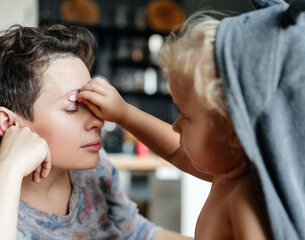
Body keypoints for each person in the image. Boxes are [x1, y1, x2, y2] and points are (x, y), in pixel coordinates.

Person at [0, 24, 191, 240]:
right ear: (10, 124)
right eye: (73, 106)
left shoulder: (97, 170)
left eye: (92, 104)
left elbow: (134, 233)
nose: (98, 121)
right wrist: (7, 170)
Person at [77, 8, 300, 240]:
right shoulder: (227, 173)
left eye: (185, 115)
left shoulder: (247, 200)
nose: (175, 126)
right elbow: (175, 150)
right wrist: (124, 114)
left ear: (234, 132)